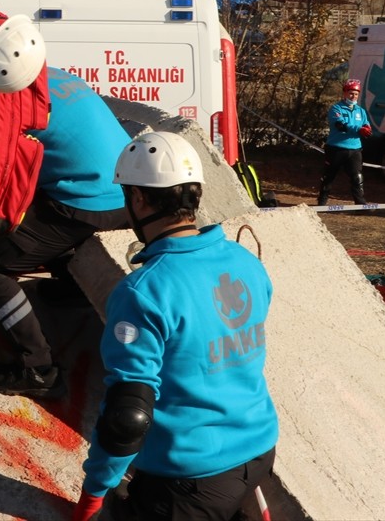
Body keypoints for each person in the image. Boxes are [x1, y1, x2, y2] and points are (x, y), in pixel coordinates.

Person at [72, 131, 278, 521]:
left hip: (188, 480)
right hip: (258, 451)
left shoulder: (143, 292)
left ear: (138, 198)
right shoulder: (245, 261)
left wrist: (94, 492)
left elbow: (127, 416)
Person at [0, 67, 131, 399]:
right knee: (44, 217)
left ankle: (37, 368)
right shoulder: (56, 74)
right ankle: (71, 289)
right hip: (130, 191)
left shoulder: (5, 93)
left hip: (89, 202)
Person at [317, 78, 371, 206]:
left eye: (356, 94)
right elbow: (340, 125)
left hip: (355, 149)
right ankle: (322, 203)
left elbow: (366, 124)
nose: (353, 96)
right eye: (351, 93)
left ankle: (360, 204)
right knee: (328, 177)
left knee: (357, 177)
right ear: (345, 93)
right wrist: (359, 129)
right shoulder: (336, 108)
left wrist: (367, 129)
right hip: (336, 148)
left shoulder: (361, 111)